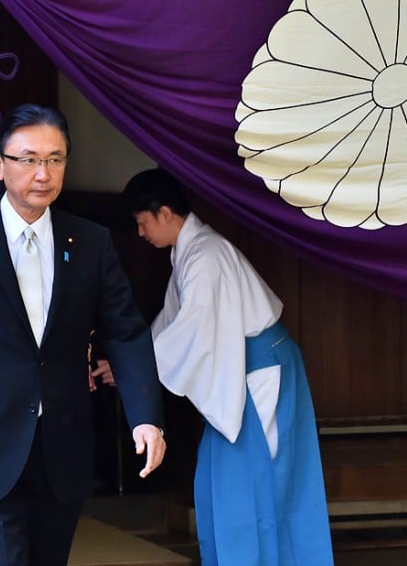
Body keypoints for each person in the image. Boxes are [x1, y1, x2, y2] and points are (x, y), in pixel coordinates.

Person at [0, 103, 166, 566]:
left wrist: (145, 415)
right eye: (28, 159)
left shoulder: (90, 240)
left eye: (55, 159)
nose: (42, 173)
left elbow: (125, 331)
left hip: (62, 447)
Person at [121, 168, 333, 566]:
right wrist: (130, 364)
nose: (141, 233)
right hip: (243, 374)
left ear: (164, 213)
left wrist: (137, 367)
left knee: (264, 486)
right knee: (225, 486)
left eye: (142, 223)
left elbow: (192, 329)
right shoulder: (189, 253)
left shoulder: (207, 254)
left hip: (260, 377)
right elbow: (172, 324)